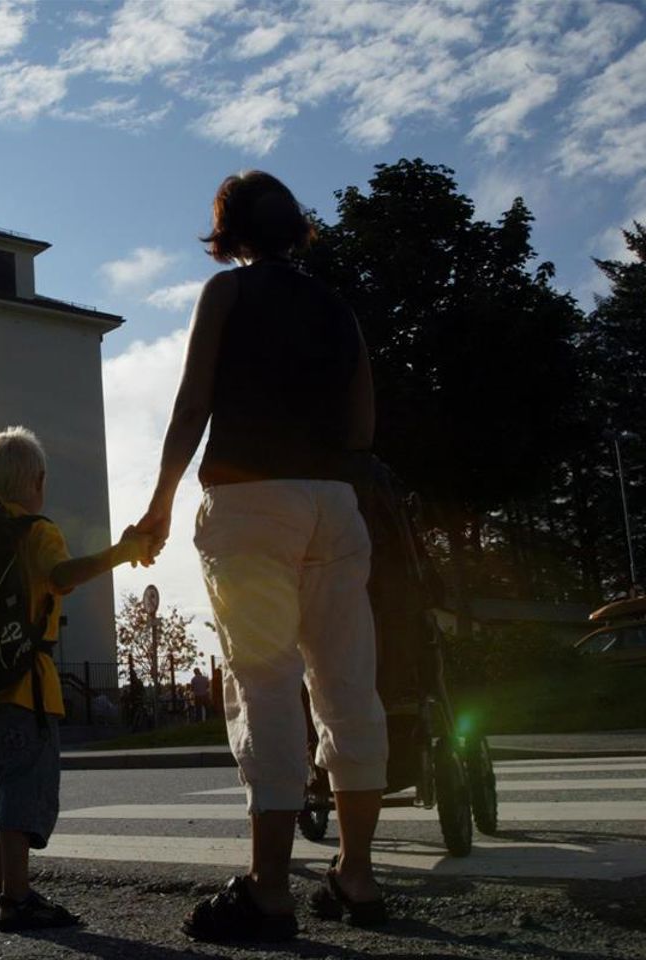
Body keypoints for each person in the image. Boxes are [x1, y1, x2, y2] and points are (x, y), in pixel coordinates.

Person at [135, 170, 388, 941]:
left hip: (251, 505)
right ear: (296, 228)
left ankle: (269, 889)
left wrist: (160, 505)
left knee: (267, 683)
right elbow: (362, 426)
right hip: (335, 506)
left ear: (231, 234)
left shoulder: (229, 296)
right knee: (348, 686)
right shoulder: (338, 307)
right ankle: (356, 876)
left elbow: (191, 404)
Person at [0, 426, 151, 933]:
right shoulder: (37, 532)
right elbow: (63, 577)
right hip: (24, 686)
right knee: (21, 790)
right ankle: (18, 898)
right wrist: (121, 551)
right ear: (39, 481)